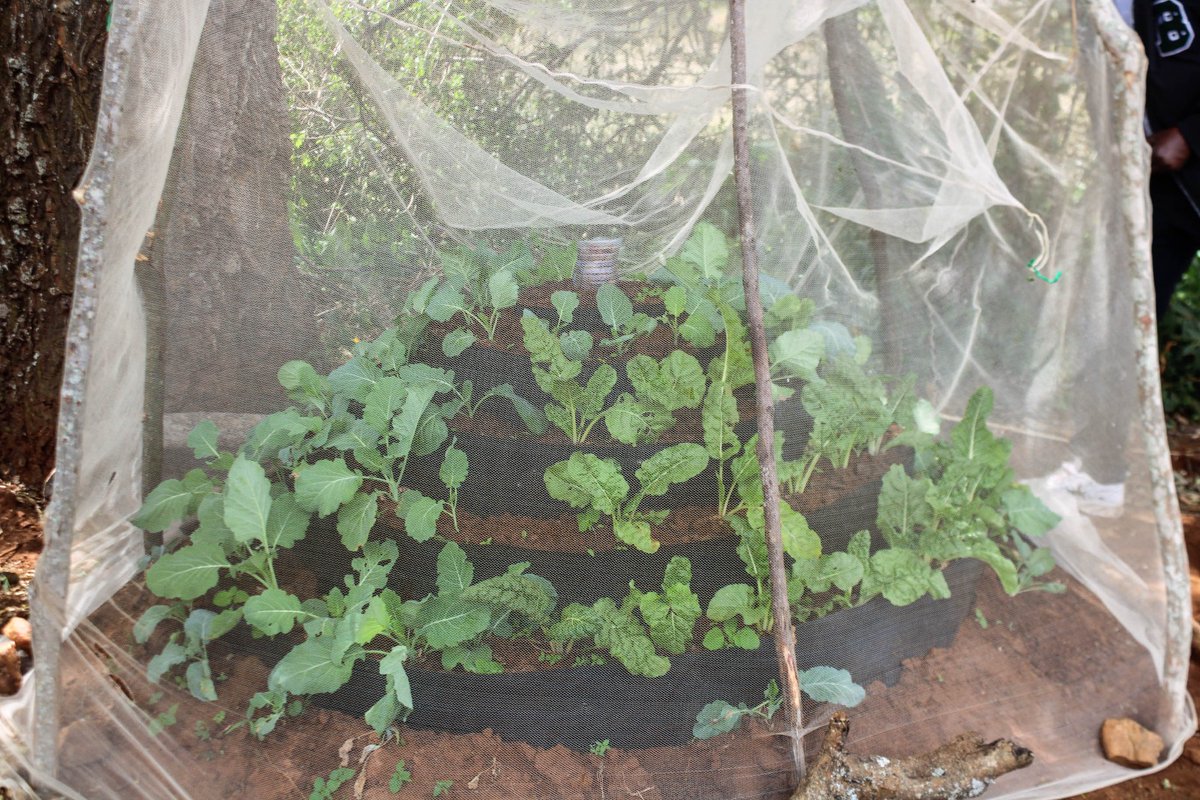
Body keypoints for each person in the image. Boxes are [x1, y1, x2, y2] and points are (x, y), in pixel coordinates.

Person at [1046, 0, 1200, 517]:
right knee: (1116, 322)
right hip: (1160, 193)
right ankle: (1099, 472)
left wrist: (1191, 136)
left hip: (1184, 163)